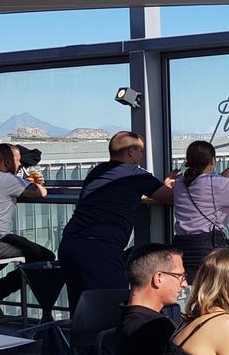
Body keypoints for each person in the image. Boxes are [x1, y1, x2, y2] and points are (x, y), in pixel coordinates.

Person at [59, 132, 176, 312]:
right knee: (113, 310)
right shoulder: (136, 175)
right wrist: (170, 186)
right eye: (140, 151)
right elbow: (170, 198)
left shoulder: (97, 172)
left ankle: (83, 341)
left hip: (70, 245)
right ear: (130, 152)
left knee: (82, 312)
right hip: (100, 250)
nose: (142, 156)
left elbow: (121, 193)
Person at [0, 143, 54, 317]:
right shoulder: (7, 180)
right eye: (18, 162)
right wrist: (38, 183)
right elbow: (41, 193)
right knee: (45, 257)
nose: (19, 166)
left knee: (13, 244)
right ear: (7, 162)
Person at [172, 140, 229, 280]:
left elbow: (203, 188)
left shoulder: (179, 182)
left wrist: (223, 176)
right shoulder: (217, 184)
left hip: (182, 249)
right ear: (212, 161)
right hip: (209, 248)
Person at [117, 243, 188, 355]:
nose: (184, 284)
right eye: (180, 276)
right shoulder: (155, 329)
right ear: (159, 278)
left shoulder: (126, 321)